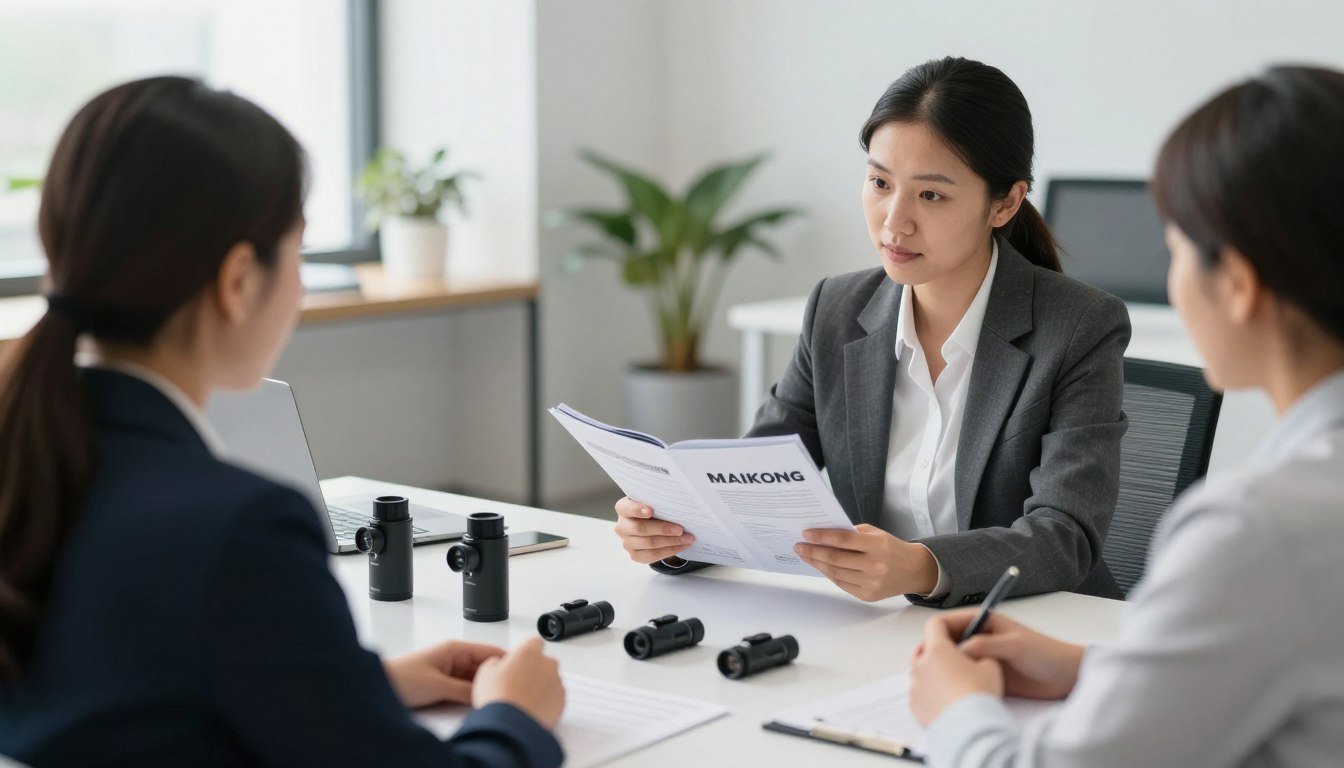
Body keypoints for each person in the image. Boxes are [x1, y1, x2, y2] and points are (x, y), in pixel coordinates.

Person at [0, 77, 564, 768]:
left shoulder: (32, 463)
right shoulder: (239, 530)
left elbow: (115, 703)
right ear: (238, 281)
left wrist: (355, 688)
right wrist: (517, 717)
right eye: (298, 253)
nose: (298, 286)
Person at [909, 65, 1344, 767]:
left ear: (1235, 284)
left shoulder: (1260, 530)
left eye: (1172, 250)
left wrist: (957, 709)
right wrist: (1097, 667)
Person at [613, 56, 1131, 607]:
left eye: (930, 195)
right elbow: (750, 482)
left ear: (1004, 203)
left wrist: (923, 566)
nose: (894, 221)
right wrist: (674, 532)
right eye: (880, 182)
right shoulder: (836, 310)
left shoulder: (1079, 327)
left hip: (1032, 629)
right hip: (875, 631)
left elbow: (1064, 536)